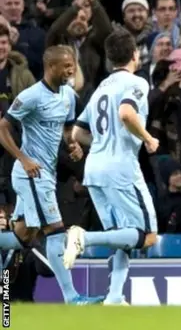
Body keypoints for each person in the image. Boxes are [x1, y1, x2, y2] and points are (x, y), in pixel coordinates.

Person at [63, 30, 160, 305]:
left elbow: (78, 134)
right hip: (121, 170)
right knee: (147, 236)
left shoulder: (101, 89)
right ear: (135, 56)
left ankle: (115, 298)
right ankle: (84, 237)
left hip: (95, 169)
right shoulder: (137, 83)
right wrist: (149, 138)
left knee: (123, 238)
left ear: (108, 59)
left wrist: (103, 143)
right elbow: (126, 113)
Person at [0, 45, 103, 305]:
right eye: (66, 65)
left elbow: (67, 129)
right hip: (31, 175)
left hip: (46, 173)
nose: (71, 70)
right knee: (56, 232)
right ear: (50, 67)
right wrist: (23, 159)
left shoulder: (68, 95)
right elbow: (3, 128)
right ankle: (72, 297)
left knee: (24, 235)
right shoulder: (31, 96)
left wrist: (73, 145)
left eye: (73, 65)